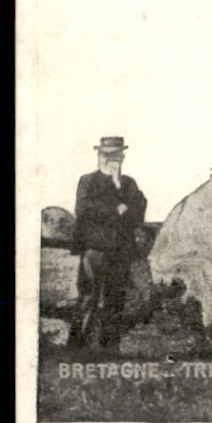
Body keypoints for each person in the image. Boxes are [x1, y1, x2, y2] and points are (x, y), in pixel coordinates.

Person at [68, 136, 147, 351]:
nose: (111, 160)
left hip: (120, 251)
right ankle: (75, 347)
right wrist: (114, 210)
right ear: (99, 155)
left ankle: (109, 348)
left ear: (122, 157)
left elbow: (139, 208)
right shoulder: (88, 181)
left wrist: (118, 186)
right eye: (106, 155)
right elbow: (83, 208)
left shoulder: (128, 184)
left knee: (115, 299)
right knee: (88, 297)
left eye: (116, 155)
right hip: (94, 250)